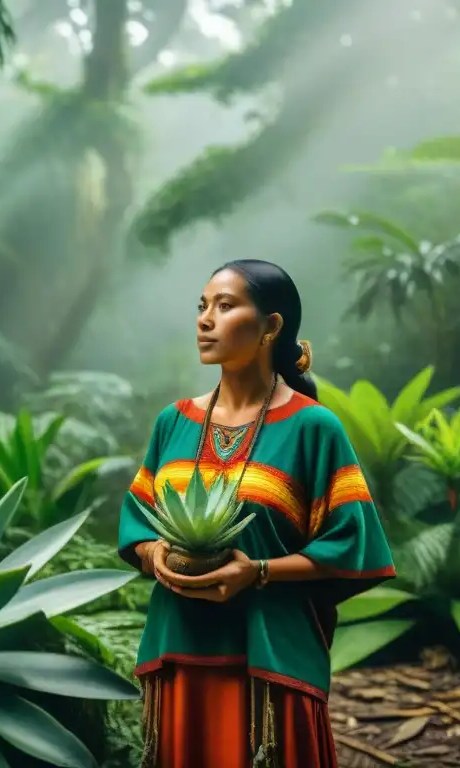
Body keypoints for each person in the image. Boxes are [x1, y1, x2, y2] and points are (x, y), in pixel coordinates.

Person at [117, 259, 396, 768]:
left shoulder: (314, 427)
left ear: (271, 327)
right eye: (202, 307)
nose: (205, 319)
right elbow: (137, 519)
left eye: (225, 306)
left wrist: (257, 572)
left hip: (268, 661)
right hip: (181, 652)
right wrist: (155, 553)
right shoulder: (172, 422)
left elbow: (352, 546)